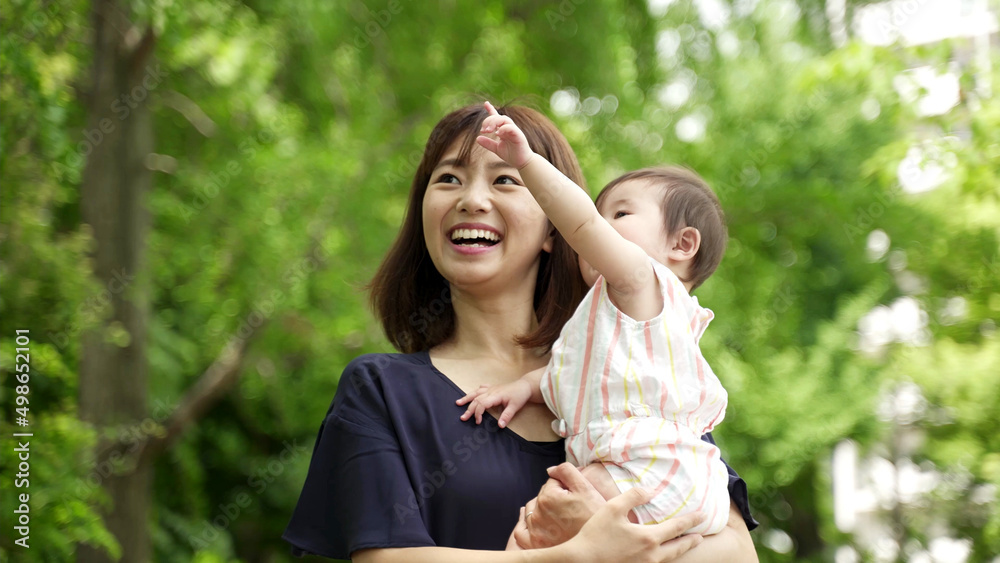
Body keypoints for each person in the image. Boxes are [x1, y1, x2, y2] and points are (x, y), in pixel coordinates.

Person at [282, 102, 758, 562]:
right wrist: (576, 557)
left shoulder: (635, 378)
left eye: (506, 179)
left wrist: (627, 546)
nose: (472, 200)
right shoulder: (381, 392)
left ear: (560, 229)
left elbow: (736, 553)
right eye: (448, 178)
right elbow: (385, 559)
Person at [458, 101, 731, 538]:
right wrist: (522, 388)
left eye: (620, 214)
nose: (600, 226)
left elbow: (580, 221)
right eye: (601, 214)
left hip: (650, 470)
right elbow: (572, 373)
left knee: (534, 525)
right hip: (664, 476)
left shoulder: (642, 282)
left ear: (682, 244)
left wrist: (526, 163)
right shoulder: (620, 319)